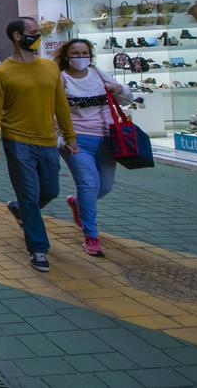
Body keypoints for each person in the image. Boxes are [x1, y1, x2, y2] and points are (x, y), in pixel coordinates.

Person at [0, 17, 78, 273]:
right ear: (17, 36)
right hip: (17, 141)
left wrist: (70, 137)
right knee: (29, 194)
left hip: (47, 140)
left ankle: (19, 209)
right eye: (33, 32)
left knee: (50, 190)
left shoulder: (50, 69)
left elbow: (61, 105)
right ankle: (38, 248)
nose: (38, 36)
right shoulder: (2, 73)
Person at [54, 39, 131, 258]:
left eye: (85, 52)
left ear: (91, 54)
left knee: (104, 187)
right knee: (88, 185)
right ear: (67, 56)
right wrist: (61, 137)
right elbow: (52, 110)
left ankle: (77, 203)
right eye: (75, 53)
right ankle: (91, 235)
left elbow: (127, 96)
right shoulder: (60, 79)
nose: (81, 57)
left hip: (108, 139)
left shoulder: (98, 74)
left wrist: (119, 88)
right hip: (77, 141)